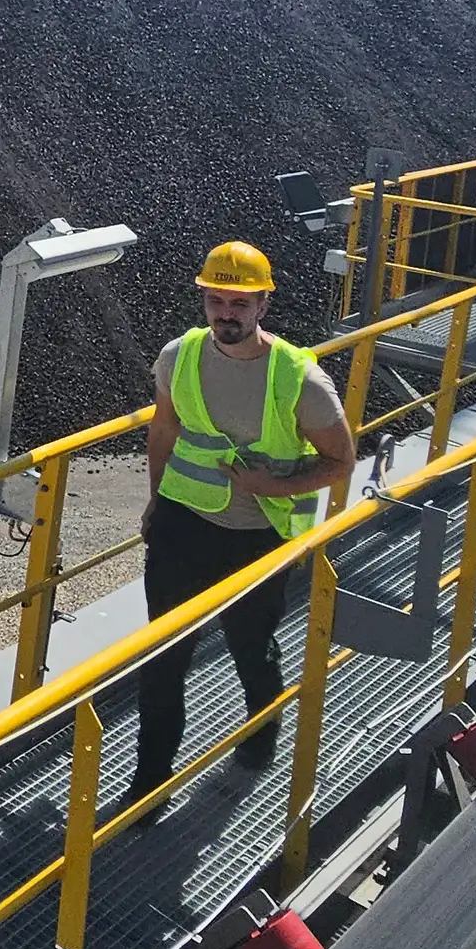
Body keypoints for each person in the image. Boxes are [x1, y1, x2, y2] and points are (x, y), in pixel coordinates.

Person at [124, 240, 353, 819]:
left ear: (263, 306)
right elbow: (163, 432)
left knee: (251, 647)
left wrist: (269, 487)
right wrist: (155, 501)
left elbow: (340, 461)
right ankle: (149, 785)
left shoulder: (300, 381)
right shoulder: (178, 357)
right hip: (183, 524)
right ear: (204, 299)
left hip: (258, 536)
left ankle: (260, 733)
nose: (226, 313)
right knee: (163, 656)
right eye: (217, 301)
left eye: (240, 303)